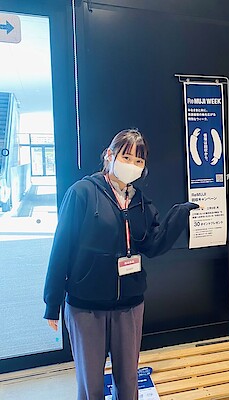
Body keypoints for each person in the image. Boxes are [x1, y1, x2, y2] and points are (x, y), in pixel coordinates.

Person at [43, 128, 198, 400]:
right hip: (86, 306)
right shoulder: (82, 193)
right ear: (109, 155)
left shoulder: (140, 203)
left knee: (128, 382)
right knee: (90, 385)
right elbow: (61, 248)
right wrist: (52, 303)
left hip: (129, 305)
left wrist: (178, 215)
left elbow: (152, 245)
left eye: (139, 160)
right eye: (127, 157)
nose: (132, 165)